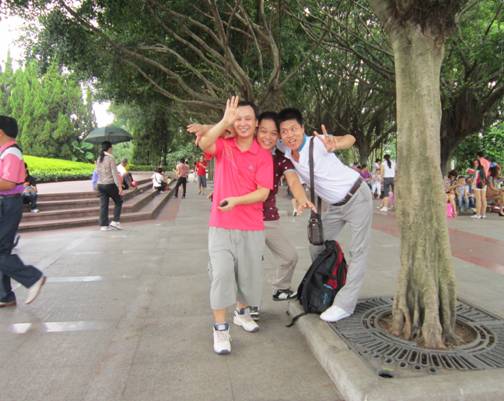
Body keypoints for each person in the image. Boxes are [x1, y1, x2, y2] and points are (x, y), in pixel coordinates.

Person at [278, 108, 373, 323]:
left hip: (357, 195)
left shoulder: (317, 142)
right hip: (335, 206)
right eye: (284, 131)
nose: (290, 135)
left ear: (303, 128)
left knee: (358, 251)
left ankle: (344, 304)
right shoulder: (285, 150)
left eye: (294, 129)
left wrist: (336, 144)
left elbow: (350, 138)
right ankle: (327, 282)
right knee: (316, 243)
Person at [198, 96, 273, 355]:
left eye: (247, 118)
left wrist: (236, 201)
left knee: (247, 276)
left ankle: (241, 313)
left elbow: (263, 192)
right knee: (221, 275)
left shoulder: (263, 155)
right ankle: (220, 330)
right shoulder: (224, 145)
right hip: (221, 225)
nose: (242, 123)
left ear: (256, 123)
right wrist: (224, 121)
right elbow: (204, 143)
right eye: (237, 118)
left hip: (251, 227)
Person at [0, 115, 46, 307]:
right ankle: (4, 295)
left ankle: (33, 277)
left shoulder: (11, 152)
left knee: (1, 250)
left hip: (8, 203)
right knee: (2, 250)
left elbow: (8, 183)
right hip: (5, 203)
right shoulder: (5, 152)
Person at [96, 141, 123, 230]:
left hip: (100, 184)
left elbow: (97, 172)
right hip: (109, 184)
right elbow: (115, 174)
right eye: (112, 148)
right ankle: (115, 222)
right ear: (109, 148)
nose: (112, 150)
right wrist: (119, 187)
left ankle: (104, 226)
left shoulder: (99, 158)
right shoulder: (110, 158)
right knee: (119, 201)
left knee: (104, 205)